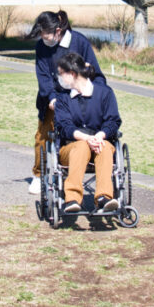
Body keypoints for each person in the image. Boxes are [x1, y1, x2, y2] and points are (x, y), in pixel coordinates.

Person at [28, 10, 105, 194]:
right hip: (52, 97)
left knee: (75, 134)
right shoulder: (41, 47)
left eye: (47, 36)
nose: (44, 40)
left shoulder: (79, 42)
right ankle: (39, 175)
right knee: (43, 136)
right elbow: (43, 76)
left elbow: (96, 73)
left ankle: (72, 170)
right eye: (42, 36)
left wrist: (93, 94)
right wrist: (52, 98)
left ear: (57, 30)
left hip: (79, 96)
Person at [53, 52, 121, 213]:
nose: (59, 78)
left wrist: (99, 136)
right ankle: (72, 199)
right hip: (71, 147)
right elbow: (64, 126)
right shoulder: (63, 99)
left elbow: (113, 121)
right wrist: (87, 138)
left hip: (100, 143)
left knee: (104, 146)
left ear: (73, 74)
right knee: (82, 146)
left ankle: (104, 197)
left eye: (61, 74)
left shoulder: (104, 93)